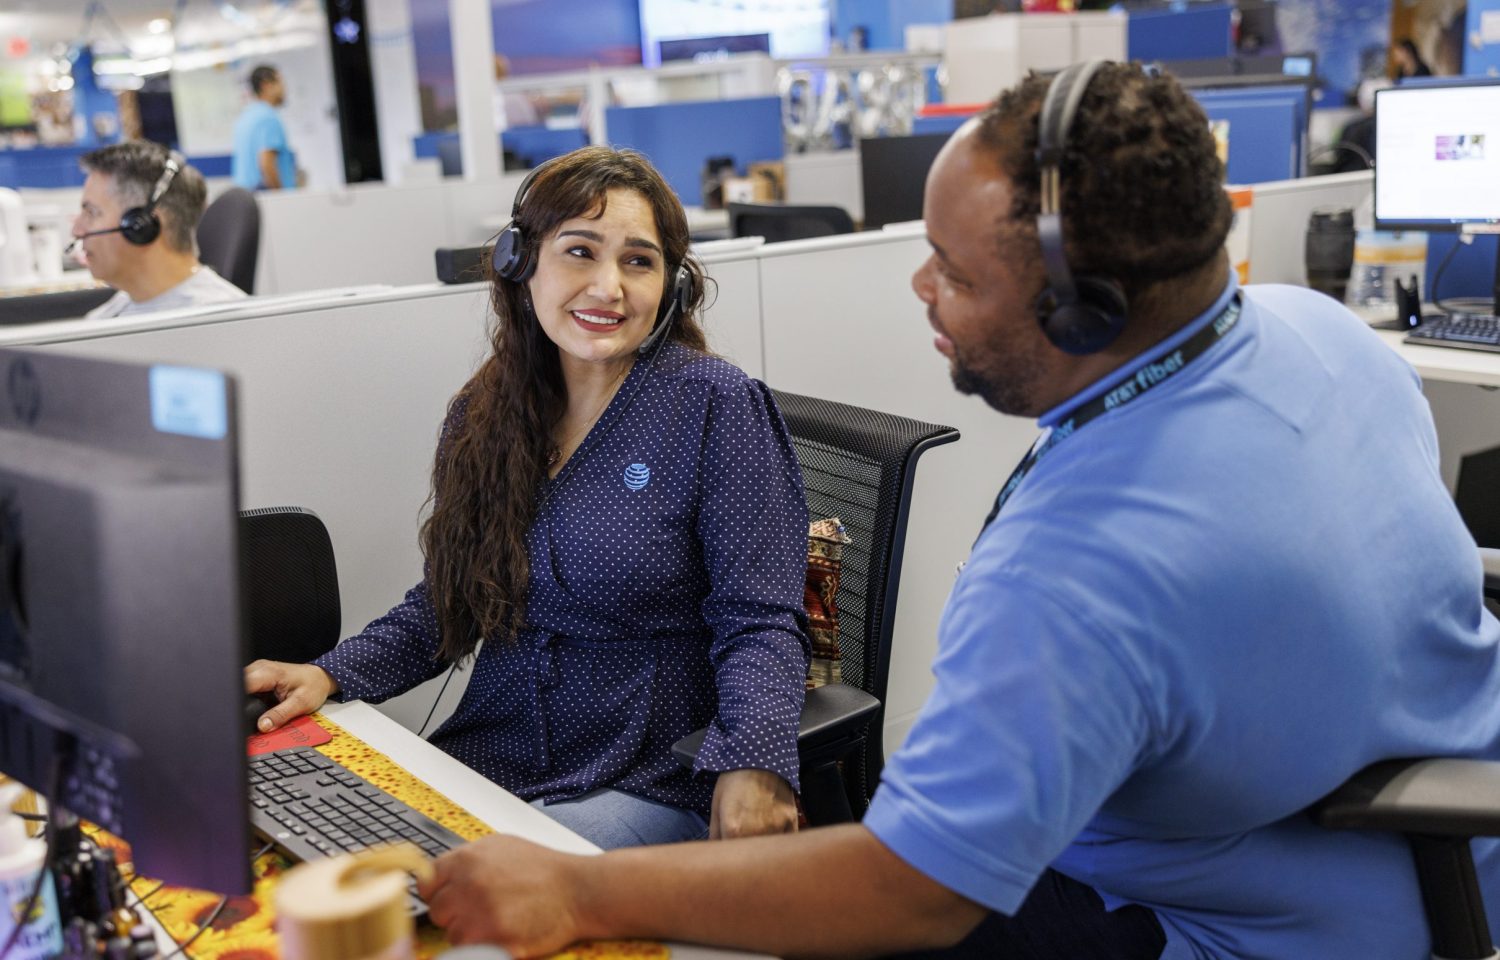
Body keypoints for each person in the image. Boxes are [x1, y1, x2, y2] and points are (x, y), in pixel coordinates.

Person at [417, 61, 1500, 959]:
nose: (919, 289)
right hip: (1411, 838)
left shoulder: (1072, 574)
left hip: (1247, 926)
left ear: (1084, 306)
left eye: (953, 272)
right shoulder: (1320, 329)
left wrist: (582, 895)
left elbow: (912, 890)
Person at [245, 146, 810, 850]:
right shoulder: (487, 413)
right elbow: (448, 604)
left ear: (674, 287)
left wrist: (755, 762)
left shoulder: (716, 408)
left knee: (450, 897)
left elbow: (759, 621)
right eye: (580, 251)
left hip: (648, 772)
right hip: (497, 754)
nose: (608, 286)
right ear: (522, 262)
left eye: (639, 261)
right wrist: (329, 673)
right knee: (311, 854)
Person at [71, 141, 245, 319]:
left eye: (91, 213)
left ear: (141, 226)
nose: (76, 231)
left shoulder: (221, 323)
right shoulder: (114, 310)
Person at [231, 65, 298, 191]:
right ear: (266, 85)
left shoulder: (245, 117)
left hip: (245, 197)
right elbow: (266, 164)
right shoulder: (268, 118)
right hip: (269, 201)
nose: (284, 89)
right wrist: (283, 198)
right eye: (280, 82)